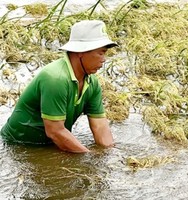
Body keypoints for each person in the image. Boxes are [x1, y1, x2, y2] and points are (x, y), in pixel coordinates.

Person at [0, 20, 117, 153]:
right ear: (81, 51)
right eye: (101, 53)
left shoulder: (92, 83)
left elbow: (100, 126)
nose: (104, 59)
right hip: (18, 146)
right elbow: (55, 131)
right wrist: (88, 156)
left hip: (52, 143)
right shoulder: (55, 78)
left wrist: (111, 154)